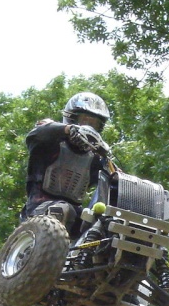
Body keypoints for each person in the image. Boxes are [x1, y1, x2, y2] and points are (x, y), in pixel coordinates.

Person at [20, 91, 110, 240]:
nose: (88, 127)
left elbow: (110, 179)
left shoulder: (94, 158)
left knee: (104, 224)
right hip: (39, 209)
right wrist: (67, 130)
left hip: (75, 215)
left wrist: (112, 168)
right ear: (71, 117)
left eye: (94, 124)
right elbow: (35, 136)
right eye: (84, 121)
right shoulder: (50, 138)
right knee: (62, 209)